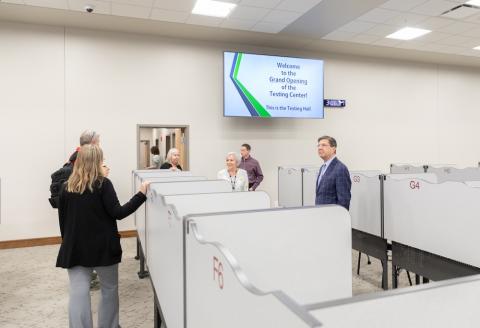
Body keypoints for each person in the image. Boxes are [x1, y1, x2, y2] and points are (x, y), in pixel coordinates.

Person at [56, 144, 149, 328]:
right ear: (96, 161)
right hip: (103, 248)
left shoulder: (66, 187)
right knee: (109, 290)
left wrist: (69, 242)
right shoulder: (103, 184)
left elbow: (63, 222)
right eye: (102, 160)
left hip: (75, 248)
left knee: (78, 293)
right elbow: (118, 212)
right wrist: (141, 194)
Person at [315, 136, 351, 210]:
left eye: (324, 145)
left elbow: (344, 201)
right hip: (320, 215)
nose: (320, 148)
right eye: (318, 145)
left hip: (332, 218)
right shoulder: (322, 168)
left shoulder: (340, 169)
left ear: (333, 149)